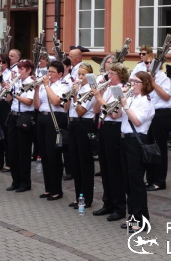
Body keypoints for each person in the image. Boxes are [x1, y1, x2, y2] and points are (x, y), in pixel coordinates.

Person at [112, 71, 155, 232]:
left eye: (136, 81)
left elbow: (136, 121)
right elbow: (116, 116)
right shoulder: (131, 98)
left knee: (137, 182)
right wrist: (118, 102)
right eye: (132, 81)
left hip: (136, 142)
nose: (132, 84)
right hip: (124, 139)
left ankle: (141, 220)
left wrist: (125, 104)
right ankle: (133, 216)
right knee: (128, 182)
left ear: (145, 84)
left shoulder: (146, 101)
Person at [92, 63, 129, 221]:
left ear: (120, 75)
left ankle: (119, 207)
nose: (109, 76)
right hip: (104, 128)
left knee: (114, 170)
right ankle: (107, 203)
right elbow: (95, 110)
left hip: (115, 128)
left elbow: (114, 114)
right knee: (105, 168)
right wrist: (98, 95)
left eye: (113, 74)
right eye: (109, 73)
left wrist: (100, 98)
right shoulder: (107, 89)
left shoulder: (122, 90)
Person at [34, 61, 70, 200]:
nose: (49, 74)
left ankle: (57, 190)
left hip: (55, 119)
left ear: (60, 74)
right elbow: (37, 105)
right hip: (42, 119)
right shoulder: (44, 86)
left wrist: (47, 86)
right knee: (44, 154)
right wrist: (37, 89)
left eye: (52, 72)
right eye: (48, 71)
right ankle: (48, 188)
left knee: (53, 155)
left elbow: (56, 101)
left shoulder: (64, 86)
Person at [66, 63, 96, 209]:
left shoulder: (90, 90)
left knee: (85, 163)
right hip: (73, 124)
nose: (81, 77)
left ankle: (87, 198)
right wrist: (71, 94)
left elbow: (80, 111)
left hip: (84, 124)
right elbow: (65, 107)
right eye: (79, 74)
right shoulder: (77, 88)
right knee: (75, 162)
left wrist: (75, 95)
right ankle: (79, 197)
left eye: (84, 75)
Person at [143, 54, 171, 191]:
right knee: (148, 147)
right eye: (146, 63)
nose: (148, 65)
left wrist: (153, 83)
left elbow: (167, 97)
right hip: (149, 113)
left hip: (161, 114)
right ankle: (150, 179)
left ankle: (160, 181)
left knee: (159, 148)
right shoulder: (146, 77)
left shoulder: (164, 78)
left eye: (150, 63)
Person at [6, 60, 35, 192]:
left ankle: (25, 182)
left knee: (23, 151)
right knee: (12, 150)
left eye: (22, 69)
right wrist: (7, 90)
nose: (19, 71)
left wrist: (15, 94)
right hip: (13, 115)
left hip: (25, 116)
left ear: (29, 70)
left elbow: (29, 101)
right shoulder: (16, 82)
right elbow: (7, 99)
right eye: (19, 69)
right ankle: (15, 180)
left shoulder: (31, 83)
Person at [0, 54, 12, 172]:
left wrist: (1, 79)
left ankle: (9, 162)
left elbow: (8, 88)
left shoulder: (10, 74)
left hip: (5, 104)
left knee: (6, 134)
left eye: (3, 62)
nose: (1, 64)